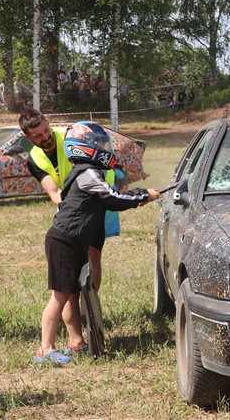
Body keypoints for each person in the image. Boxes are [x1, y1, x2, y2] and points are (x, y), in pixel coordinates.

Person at [35, 122, 158, 364]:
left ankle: (76, 342)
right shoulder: (87, 173)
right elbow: (112, 197)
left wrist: (138, 197)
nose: (104, 148)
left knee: (72, 293)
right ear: (83, 148)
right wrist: (143, 195)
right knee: (60, 296)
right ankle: (45, 349)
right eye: (99, 144)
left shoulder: (85, 171)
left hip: (72, 239)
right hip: (64, 240)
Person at [19, 109, 124, 294]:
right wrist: (73, 209)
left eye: (46, 130)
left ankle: (89, 306)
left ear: (48, 123)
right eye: (38, 136)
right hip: (70, 203)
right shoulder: (34, 159)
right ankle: (74, 304)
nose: (45, 137)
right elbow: (54, 192)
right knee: (71, 258)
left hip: (99, 196)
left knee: (93, 255)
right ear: (27, 138)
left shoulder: (71, 135)